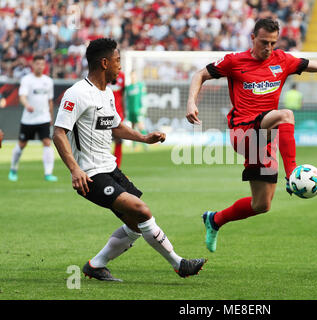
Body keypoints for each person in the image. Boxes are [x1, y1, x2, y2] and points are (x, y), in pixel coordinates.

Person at [186, 18, 317, 252]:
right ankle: (294, 175)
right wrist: (191, 103)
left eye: (273, 43)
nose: (268, 47)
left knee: (261, 204)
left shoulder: (282, 60)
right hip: (243, 134)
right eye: (264, 42)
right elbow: (199, 75)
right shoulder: (234, 61)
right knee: (286, 114)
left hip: (265, 138)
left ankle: (214, 220)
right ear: (253, 38)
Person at [53, 38, 205, 281]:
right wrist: (74, 169)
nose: (120, 66)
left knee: (136, 224)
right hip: (90, 175)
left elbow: (116, 127)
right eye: (117, 61)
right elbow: (58, 132)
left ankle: (96, 265)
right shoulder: (77, 94)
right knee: (141, 210)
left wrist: (144, 138)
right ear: (104, 63)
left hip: (111, 168)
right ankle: (179, 264)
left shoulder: (108, 94)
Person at [8, 55, 58, 182]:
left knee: (47, 143)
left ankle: (48, 173)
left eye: (42, 64)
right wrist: (27, 105)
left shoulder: (48, 81)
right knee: (21, 144)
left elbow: (50, 100)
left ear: (44, 65)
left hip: (44, 118)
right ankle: (13, 169)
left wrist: (51, 116)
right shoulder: (27, 80)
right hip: (29, 119)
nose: (40, 66)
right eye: (38, 64)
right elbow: (22, 97)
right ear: (33, 65)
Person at [125, 70, 146, 151]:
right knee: (133, 128)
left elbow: (143, 97)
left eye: (134, 75)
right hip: (131, 110)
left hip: (138, 110)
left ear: (136, 76)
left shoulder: (140, 85)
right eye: (132, 75)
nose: (133, 77)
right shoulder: (128, 87)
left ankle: (145, 145)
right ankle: (134, 146)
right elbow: (126, 100)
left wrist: (143, 108)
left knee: (141, 126)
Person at [108, 70, 125, 168]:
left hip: (118, 113)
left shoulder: (122, 76)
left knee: (119, 140)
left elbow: (122, 95)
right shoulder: (103, 74)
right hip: (105, 112)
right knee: (103, 140)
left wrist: (123, 111)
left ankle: (117, 167)